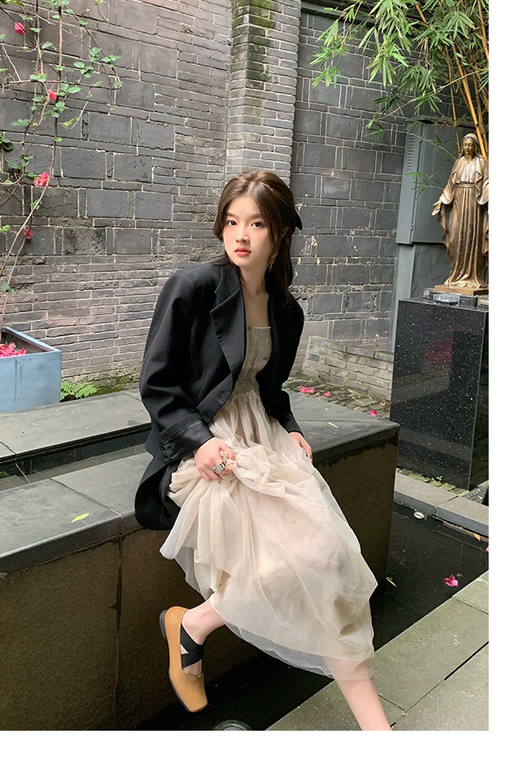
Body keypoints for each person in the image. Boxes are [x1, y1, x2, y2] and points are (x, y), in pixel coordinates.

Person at [134, 169, 392, 731]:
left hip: (263, 435)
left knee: (330, 555)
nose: (241, 235)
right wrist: (200, 442)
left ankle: (193, 626)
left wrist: (290, 426)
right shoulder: (194, 286)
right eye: (232, 222)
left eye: (255, 224)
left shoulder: (286, 310)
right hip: (206, 439)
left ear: (279, 233)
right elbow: (157, 385)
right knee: (280, 561)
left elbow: (269, 390)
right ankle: (191, 628)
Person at [432, 133, 489, 291]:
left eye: (470, 145)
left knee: (471, 236)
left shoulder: (481, 162)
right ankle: (456, 275)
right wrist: (441, 200)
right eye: (465, 145)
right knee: (456, 237)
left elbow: (487, 183)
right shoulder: (458, 163)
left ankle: (472, 277)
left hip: (474, 203)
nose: (467, 148)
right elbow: (450, 185)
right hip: (458, 201)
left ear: (475, 146)